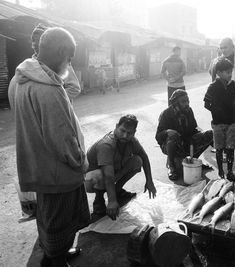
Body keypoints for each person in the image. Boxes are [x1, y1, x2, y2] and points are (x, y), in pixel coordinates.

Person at [8, 27, 89, 267]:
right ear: (62, 52)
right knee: (60, 222)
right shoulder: (50, 89)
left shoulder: (19, 78)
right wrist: (81, 161)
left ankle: (56, 255)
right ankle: (56, 260)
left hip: (37, 165)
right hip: (57, 174)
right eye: (70, 57)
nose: (69, 62)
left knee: (46, 218)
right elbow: (63, 142)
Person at [85, 115, 157, 220]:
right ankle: (99, 200)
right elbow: (108, 176)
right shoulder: (106, 145)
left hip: (112, 173)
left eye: (129, 133)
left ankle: (117, 190)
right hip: (89, 180)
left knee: (137, 161)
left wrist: (149, 181)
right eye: (122, 130)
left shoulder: (132, 141)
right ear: (116, 126)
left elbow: (144, 157)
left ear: (134, 133)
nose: (125, 135)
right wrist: (112, 201)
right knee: (99, 176)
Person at [156, 89, 213, 180]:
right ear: (175, 103)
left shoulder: (189, 110)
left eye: (187, 101)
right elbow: (158, 136)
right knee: (172, 136)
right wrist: (167, 132)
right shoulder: (166, 114)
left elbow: (194, 129)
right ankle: (171, 166)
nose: (187, 103)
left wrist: (203, 137)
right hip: (171, 144)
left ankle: (193, 160)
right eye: (183, 102)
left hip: (186, 141)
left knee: (210, 134)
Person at [204, 58, 235, 181]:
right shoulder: (213, 87)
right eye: (227, 72)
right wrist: (216, 112)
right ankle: (220, 171)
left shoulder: (233, 85)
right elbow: (206, 103)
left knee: (230, 148)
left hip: (231, 123)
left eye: (230, 72)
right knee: (219, 148)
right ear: (219, 73)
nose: (230, 75)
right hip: (218, 123)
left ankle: (229, 172)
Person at [31, 23, 81, 102]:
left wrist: (54, 99)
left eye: (39, 39)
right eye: (33, 40)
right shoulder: (30, 64)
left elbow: (74, 87)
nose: (34, 43)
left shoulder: (62, 63)